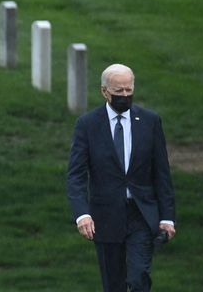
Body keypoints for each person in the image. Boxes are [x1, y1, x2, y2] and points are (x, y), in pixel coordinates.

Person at [67, 64, 177, 292]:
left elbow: (161, 172)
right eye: (119, 91)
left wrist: (167, 217)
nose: (125, 95)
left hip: (141, 213)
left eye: (129, 90)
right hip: (105, 216)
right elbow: (76, 175)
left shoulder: (150, 121)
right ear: (104, 92)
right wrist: (82, 215)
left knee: (139, 277)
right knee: (113, 284)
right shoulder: (88, 125)